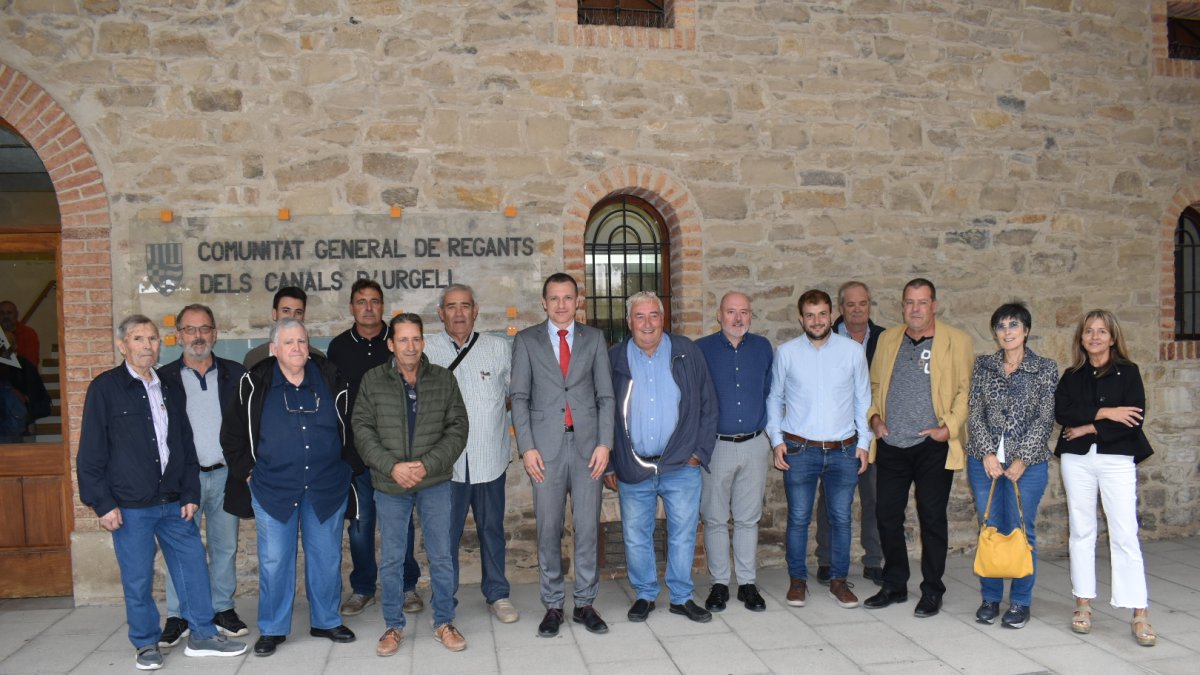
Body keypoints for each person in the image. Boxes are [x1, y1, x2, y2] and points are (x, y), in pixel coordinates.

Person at [77, 315, 247, 670]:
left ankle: (202, 634)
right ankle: (145, 643)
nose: (146, 345)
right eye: (138, 338)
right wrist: (102, 503)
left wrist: (190, 493)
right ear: (123, 345)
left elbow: (183, 445)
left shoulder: (168, 386)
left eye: (152, 338)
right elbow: (91, 452)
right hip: (130, 505)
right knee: (138, 577)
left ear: (161, 343)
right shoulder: (105, 388)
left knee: (192, 567)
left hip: (173, 501)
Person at [221, 318, 357, 657]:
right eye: (289, 343)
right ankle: (273, 628)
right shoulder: (254, 384)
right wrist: (247, 472)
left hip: (325, 486)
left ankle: (326, 620)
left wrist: (347, 467)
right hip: (273, 488)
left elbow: (353, 426)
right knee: (275, 561)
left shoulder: (331, 379)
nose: (297, 348)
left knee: (326, 558)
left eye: (302, 341)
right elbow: (232, 435)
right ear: (273, 349)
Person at [353, 313, 470, 655]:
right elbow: (362, 429)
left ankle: (444, 622)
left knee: (441, 555)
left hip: (433, 481)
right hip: (390, 484)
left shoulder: (443, 379)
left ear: (423, 341)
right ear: (391, 344)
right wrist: (392, 467)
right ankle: (393, 626)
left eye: (415, 339)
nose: (410, 346)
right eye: (402, 339)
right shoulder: (373, 381)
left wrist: (427, 464)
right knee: (390, 558)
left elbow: (458, 427)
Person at [510, 272, 615, 638]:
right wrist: (527, 448)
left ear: (577, 301)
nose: (561, 305)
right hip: (546, 452)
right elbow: (519, 398)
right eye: (554, 298)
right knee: (549, 529)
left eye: (568, 298)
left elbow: (606, 396)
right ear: (544, 302)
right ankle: (553, 604)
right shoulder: (526, 341)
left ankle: (585, 603)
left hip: (589, 449)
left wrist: (605, 443)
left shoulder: (595, 339)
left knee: (587, 528)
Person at [862, 278, 973, 618]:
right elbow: (875, 384)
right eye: (909, 302)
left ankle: (932, 590)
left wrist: (948, 429)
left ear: (934, 305)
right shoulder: (888, 339)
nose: (915, 309)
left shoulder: (957, 340)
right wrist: (875, 419)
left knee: (932, 519)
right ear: (902, 305)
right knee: (887, 515)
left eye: (922, 302)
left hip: (932, 445)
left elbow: (965, 391)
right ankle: (895, 584)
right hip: (893, 443)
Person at [608, 291, 718, 624]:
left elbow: (707, 404)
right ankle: (644, 594)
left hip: (681, 464)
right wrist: (612, 462)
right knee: (635, 533)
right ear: (628, 322)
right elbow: (602, 413)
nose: (647, 323)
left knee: (683, 532)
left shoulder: (687, 351)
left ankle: (682, 597)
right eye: (639, 317)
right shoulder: (614, 358)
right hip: (634, 464)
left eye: (653, 315)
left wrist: (698, 453)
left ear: (663, 317)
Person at [1055, 309, 1156, 647]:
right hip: (1077, 460)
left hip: (1116, 459)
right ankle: (1083, 604)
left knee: (1125, 532)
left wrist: (1089, 425)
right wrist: (1106, 412)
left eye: (1101, 331)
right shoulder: (1072, 375)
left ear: (1113, 337)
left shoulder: (1129, 373)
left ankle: (1139, 612)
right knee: (1081, 530)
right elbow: (1062, 413)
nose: (1094, 337)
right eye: (1088, 331)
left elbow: (1134, 418)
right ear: (1081, 338)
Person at [766, 289, 871, 610]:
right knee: (798, 518)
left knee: (841, 518)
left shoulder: (852, 351)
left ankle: (839, 581)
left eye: (822, 314)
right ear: (801, 319)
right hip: (800, 449)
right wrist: (776, 440)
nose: (816, 320)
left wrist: (865, 443)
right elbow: (775, 398)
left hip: (843, 450)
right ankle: (797, 581)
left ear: (831, 314)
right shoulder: (786, 353)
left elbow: (862, 399)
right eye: (810, 315)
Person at [327, 279, 422, 617]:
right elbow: (335, 403)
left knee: (401, 525)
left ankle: (408, 586)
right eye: (361, 301)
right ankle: (364, 588)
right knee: (361, 525)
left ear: (383, 306)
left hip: (398, 454)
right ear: (352, 307)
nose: (368, 307)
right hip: (357, 457)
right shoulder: (338, 347)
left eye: (374, 301)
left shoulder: (396, 342)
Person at [156, 305, 249, 647]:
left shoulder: (236, 374)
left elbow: (248, 427)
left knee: (225, 546)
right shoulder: (162, 378)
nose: (198, 336)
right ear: (178, 335)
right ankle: (179, 615)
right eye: (190, 329)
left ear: (215, 334)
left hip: (226, 475)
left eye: (205, 329)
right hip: (184, 480)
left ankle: (222, 608)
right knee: (181, 549)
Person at [425, 284, 519, 623]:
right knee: (444, 535)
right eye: (452, 306)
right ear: (441, 313)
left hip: (489, 459)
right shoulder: (428, 349)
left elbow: (513, 395)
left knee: (491, 529)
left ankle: (498, 594)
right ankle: (444, 599)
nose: (459, 313)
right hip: (445, 466)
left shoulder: (498, 348)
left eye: (465, 305)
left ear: (475, 310)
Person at [965, 302, 1058, 629]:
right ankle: (990, 597)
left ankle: (1020, 602)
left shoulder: (1044, 368)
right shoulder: (984, 365)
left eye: (1013, 325)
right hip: (984, 462)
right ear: (995, 332)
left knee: (1022, 530)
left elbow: (1045, 419)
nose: (1007, 332)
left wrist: (1022, 459)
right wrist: (988, 454)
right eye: (1001, 326)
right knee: (989, 527)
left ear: (1026, 331)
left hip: (1027, 465)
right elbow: (974, 412)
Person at [696, 291, 773, 612]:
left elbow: (770, 391)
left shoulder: (763, 348)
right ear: (719, 315)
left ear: (751, 316)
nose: (738, 318)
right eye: (731, 312)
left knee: (747, 519)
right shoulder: (702, 349)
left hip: (755, 444)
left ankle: (746, 583)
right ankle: (718, 584)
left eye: (744, 312)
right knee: (714, 519)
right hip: (716, 446)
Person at [815, 281, 885, 586]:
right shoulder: (823, 339)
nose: (857, 310)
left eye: (863, 304)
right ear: (840, 308)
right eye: (850, 304)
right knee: (830, 501)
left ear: (870, 305)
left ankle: (873, 560)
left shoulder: (885, 339)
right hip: (835, 436)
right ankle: (827, 560)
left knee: (875, 499)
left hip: (873, 434)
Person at [242, 286, 324, 368]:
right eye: (286, 311)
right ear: (274, 314)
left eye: (298, 312)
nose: (292, 317)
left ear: (303, 317)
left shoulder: (319, 360)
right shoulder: (254, 358)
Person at [0, 300, 41, 366]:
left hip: (21, 374)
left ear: (16, 314)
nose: (5, 316)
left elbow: (31, 362)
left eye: (9, 313)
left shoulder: (28, 333)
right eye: (2, 313)